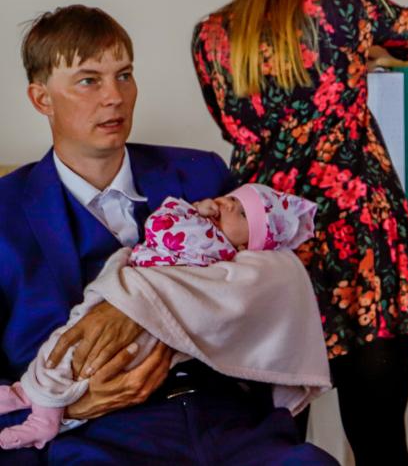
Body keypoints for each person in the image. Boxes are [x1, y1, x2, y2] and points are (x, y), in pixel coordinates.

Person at [0, 4, 333, 464]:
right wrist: (72, 408)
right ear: (42, 99)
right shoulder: (5, 213)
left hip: (227, 420)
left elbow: (275, 286)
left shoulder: (201, 175)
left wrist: (138, 306)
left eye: (124, 75)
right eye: (89, 80)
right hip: (93, 438)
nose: (115, 97)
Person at [191, 0, 408, 466]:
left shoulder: (212, 35)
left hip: (269, 236)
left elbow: (232, 128)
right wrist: (373, 54)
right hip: (358, 238)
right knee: (380, 443)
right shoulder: (346, 4)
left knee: (272, 446)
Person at [0, 184, 324, 451]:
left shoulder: (205, 183)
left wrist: (141, 299)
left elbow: (277, 272)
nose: (226, 203)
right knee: (68, 345)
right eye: (232, 198)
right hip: (106, 431)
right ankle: (32, 398)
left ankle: (43, 409)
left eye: (241, 212)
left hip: (215, 410)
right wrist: (75, 410)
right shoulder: (8, 201)